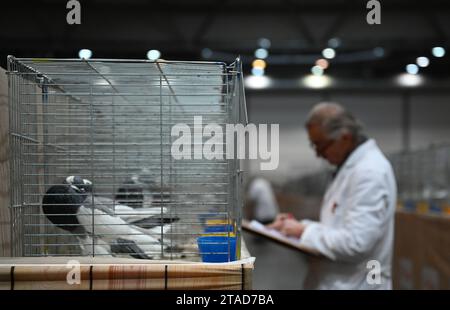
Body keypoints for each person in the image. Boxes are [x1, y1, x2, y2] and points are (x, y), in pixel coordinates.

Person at [268, 102, 397, 289]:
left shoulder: (370, 172)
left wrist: (303, 231)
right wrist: (297, 226)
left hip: (358, 283)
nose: (318, 154)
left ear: (344, 137)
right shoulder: (349, 168)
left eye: (321, 145)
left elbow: (356, 243)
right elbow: (339, 227)